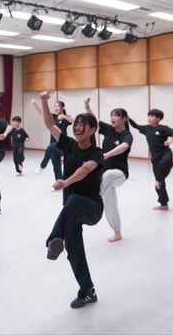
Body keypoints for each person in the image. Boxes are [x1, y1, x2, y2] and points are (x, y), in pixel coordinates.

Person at [39, 91, 104, 309]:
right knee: (74, 252)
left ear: (92, 130)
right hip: (71, 212)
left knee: (74, 199)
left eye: (82, 125)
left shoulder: (97, 153)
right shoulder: (68, 144)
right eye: (76, 124)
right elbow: (50, 125)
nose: (77, 127)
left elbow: (85, 170)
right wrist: (44, 102)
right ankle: (88, 291)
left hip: (91, 208)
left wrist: (65, 182)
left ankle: (53, 239)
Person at [85, 97, 132, 242]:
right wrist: (87, 106)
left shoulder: (127, 135)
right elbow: (95, 120)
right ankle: (117, 232)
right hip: (104, 173)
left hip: (119, 173)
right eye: (111, 115)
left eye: (116, 115)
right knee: (110, 202)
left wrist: (106, 155)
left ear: (124, 119)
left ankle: (94, 199)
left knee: (107, 177)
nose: (113, 118)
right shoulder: (109, 130)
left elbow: (124, 146)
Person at [129, 109, 173, 211]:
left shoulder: (163, 128)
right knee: (159, 185)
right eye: (149, 116)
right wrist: (128, 118)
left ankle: (159, 179)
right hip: (155, 158)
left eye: (152, 116)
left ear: (158, 119)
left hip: (165, 153)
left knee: (165, 162)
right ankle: (164, 204)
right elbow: (136, 126)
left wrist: (170, 139)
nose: (149, 118)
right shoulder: (146, 129)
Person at [31, 98, 73, 179]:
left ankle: (42, 166)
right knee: (56, 166)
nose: (56, 108)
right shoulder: (52, 116)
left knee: (51, 150)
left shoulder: (66, 117)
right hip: (53, 142)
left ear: (63, 107)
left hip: (62, 143)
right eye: (55, 106)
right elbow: (41, 112)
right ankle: (58, 181)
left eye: (58, 106)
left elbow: (72, 120)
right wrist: (34, 103)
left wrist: (64, 116)